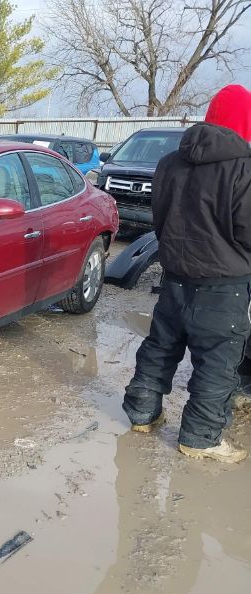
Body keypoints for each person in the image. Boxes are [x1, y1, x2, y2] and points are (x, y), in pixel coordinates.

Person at [123, 84, 251, 463]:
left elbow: (159, 219)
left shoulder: (169, 163)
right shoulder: (244, 168)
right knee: (217, 363)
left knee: (160, 347)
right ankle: (200, 438)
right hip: (223, 287)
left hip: (175, 278)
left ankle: (142, 414)